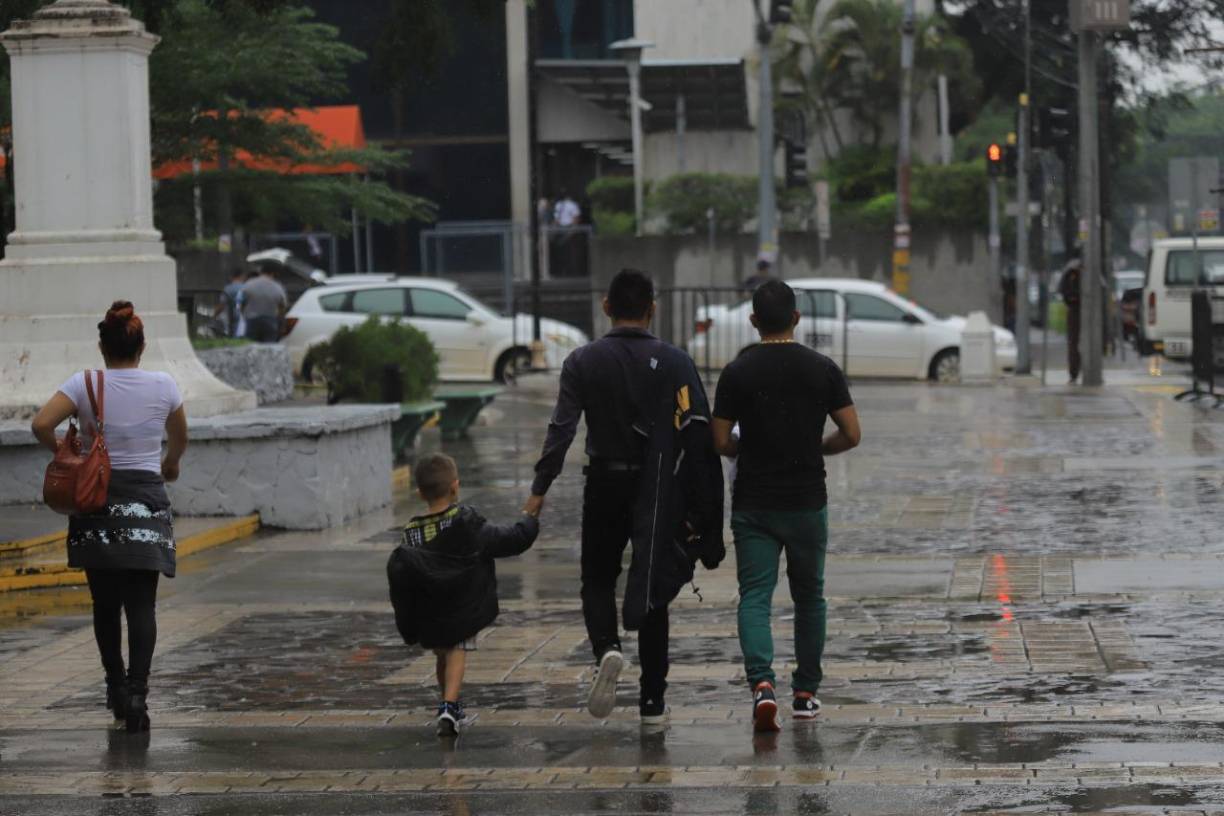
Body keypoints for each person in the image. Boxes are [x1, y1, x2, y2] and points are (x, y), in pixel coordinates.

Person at [524, 269, 725, 725]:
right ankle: (652, 700)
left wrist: (539, 490)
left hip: (604, 482)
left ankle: (607, 650)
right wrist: (703, 509)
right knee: (653, 582)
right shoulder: (675, 361)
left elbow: (562, 429)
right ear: (652, 308)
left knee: (597, 577)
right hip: (658, 489)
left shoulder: (583, 361)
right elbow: (698, 435)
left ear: (606, 306)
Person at [30, 301, 187, 734]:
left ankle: (115, 687)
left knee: (105, 603)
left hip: (96, 500)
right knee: (142, 603)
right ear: (143, 346)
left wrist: (70, 455)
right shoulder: (164, 386)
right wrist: (169, 465)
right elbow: (178, 440)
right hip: (146, 502)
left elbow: (42, 424)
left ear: (102, 346)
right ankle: (138, 694)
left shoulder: (85, 384)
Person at [711, 280, 861, 733]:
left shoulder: (737, 372)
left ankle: (762, 686)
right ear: (796, 318)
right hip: (806, 503)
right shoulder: (823, 369)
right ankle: (806, 694)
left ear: (754, 321)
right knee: (809, 596)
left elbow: (719, 440)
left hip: (754, 503)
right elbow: (852, 434)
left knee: (755, 597)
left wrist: (749, 449)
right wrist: (818, 448)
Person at [387, 453, 539, 737]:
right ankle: (449, 705)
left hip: (430, 613)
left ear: (419, 493)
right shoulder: (466, 524)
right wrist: (529, 520)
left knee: (442, 655)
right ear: (455, 486)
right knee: (457, 649)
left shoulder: (410, 533)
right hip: (460, 606)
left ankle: (447, 701)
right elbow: (510, 540)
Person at [240, 264, 288, 343]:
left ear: (260, 272)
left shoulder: (249, 284)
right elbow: (282, 307)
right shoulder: (278, 287)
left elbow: (242, 302)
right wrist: (282, 325)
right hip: (270, 321)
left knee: (250, 346)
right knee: (269, 347)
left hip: (252, 321)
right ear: (272, 273)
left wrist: (243, 315)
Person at [1059, 255, 1083, 383]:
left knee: (1075, 343)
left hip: (1080, 312)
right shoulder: (1070, 275)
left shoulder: (1089, 272)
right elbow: (1064, 292)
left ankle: (1077, 371)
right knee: (1074, 343)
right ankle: (1074, 372)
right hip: (1075, 311)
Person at [213, 269, 245, 338]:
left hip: (232, 315)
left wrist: (215, 314)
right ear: (242, 276)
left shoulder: (228, 289)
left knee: (233, 335)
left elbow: (222, 304)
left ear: (231, 277)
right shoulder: (246, 287)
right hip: (245, 315)